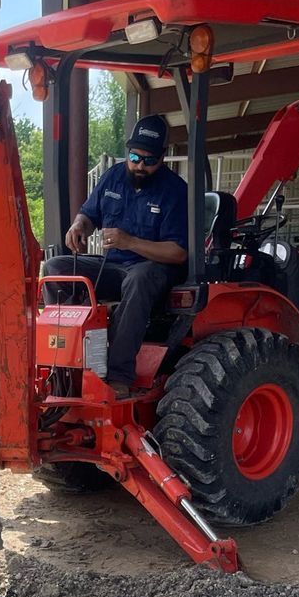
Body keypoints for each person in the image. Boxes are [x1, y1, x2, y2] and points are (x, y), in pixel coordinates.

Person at [43, 114, 188, 392]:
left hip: (152, 267)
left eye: (148, 160)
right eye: (135, 157)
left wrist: (129, 242)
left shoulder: (175, 191)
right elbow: (88, 215)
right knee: (54, 267)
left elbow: (178, 252)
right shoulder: (113, 177)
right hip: (113, 264)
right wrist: (78, 227)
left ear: (163, 156)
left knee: (138, 280)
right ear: (128, 150)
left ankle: (119, 375)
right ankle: (66, 359)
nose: (139, 165)